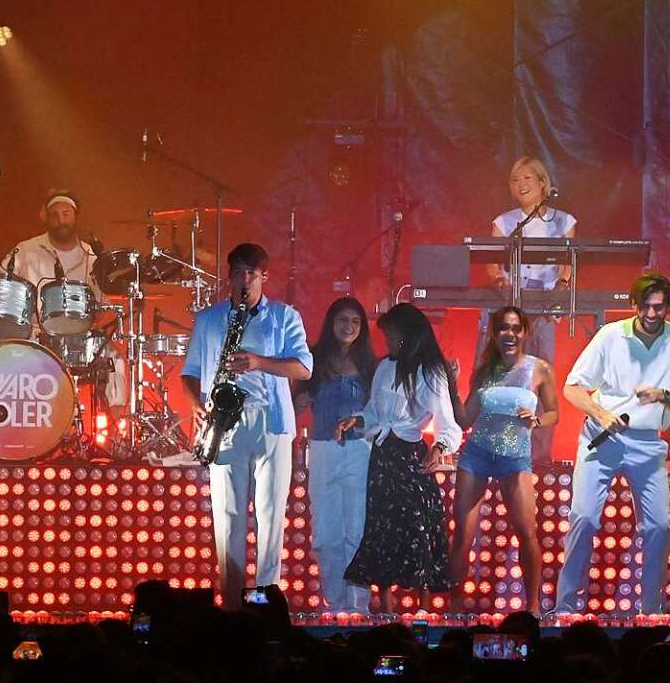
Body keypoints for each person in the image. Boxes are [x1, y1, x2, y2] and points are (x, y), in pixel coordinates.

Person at [554, 273, 670, 614]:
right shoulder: (611, 335)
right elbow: (572, 387)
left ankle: (651, 610)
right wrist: (602, 414)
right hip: (602, 437)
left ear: (669, 307)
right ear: (634, 306)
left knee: (659, 527)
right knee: (585, 518)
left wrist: (661, 395)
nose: (652, 314)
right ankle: (565, 608)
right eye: (646, 307)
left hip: (649, 443)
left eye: (660, 307)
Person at [181, 243, 312, 608]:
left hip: (270, 420)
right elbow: (189, 373)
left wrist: (258, 362)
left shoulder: (286, 316)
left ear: (264, 277)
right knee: (228, 514)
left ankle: (266, 600)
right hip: (224, 422)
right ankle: (232, 601)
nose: (245, 280)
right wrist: (196, 406)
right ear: (229, 276)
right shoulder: (208, 319)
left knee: (272, 514)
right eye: (239, 272)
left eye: (252, 273)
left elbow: (303, 368)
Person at [336, 302, 463, 613]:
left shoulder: (430, 370)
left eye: (392, 336)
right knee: (382, 526)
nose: (388, 342)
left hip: (411, 455)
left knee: (418, 526)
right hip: (383, 455)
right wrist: (358, 420)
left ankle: (423, 606)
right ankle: (386, 605)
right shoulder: (384, 368)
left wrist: (439, 448)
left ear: (408, 336)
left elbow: (448, 422)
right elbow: (374, 413)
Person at [449, 306, 558, 615]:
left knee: (527, 533)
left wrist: (535, 420)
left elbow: (554, 413)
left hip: (515, 458)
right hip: (477, 455)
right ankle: (455, 609)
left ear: (525, 333)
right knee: (462, 535)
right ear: (494, 335)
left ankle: (533, 607)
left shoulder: (539, 369)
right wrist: (451, 384)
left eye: (515, 329)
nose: (509, 334)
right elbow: (465, 418)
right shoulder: (484, 371)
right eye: (503, 329)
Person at [481, 156, 576, 466]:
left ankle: (541, 455)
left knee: (541, 378)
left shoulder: (565, 221)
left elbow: (568, 264)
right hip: (511, 312)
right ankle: (499, 447)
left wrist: (562, 282)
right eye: (515, 180)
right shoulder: (504, 222)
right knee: (505, 377)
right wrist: (499, 279)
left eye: (527, 179)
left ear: (542, 184)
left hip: (545, 311)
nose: (520, 184)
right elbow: (491, 263)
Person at [2, 190, 126, 410]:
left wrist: (98, 321)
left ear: (75, 217)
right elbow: (1, 283)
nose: (61, 220)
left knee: (116, 360)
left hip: (81, 337)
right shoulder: (26, 250)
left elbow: (105, 300)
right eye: (55, 215)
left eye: (66, 214)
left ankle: (117, 430)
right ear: (46, 219)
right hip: (36, 334)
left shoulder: (91, 255)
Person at [294, 297, 379, 614]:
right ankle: (334, 603)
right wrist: (300, 402)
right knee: (326, 533)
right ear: (331, 323)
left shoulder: (372, 365)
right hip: (322, 449)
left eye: (356, 322)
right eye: (343, 320)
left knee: (356, 530)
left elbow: (380, 410)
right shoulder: (313, 359)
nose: (349, 327)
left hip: (360, 450)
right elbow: (295, 400)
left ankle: (360, 607)